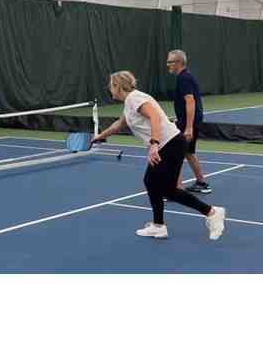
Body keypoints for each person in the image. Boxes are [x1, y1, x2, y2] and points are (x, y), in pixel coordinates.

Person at [93, 71, 225, 240]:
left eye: (111, 85)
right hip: (170, 144)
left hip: (170, 144)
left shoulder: (135, 98)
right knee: (158, 185)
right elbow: (119, 124)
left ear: (118, 86)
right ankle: (160, 226)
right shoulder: (130, 102)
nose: (109, 88)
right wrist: (100, 136)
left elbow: (154, 116)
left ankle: (211, 212)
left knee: (161, 186)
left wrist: (154, 144)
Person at [167, 49, 211, 194]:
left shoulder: (183, 78)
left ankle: (176, 189)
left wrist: (188, 127)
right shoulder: (186, 76)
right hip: (187, 121)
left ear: (179, 63)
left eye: (170, 62)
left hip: (188, 123)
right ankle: (202, 182)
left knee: (175, 152)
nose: (168, 65)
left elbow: (190, 101)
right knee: (188, 152)